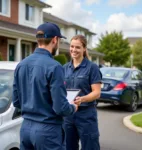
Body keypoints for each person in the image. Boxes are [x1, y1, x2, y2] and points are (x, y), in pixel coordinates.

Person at [12, 22, 78, 150]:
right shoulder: (55, 67)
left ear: (38, 40)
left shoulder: (21, 65)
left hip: (25, 129)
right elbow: (60, 108)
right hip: (48, 131)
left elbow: (16, 101)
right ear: (55, 40)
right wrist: (73, 107)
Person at [63, 35, 102, 150]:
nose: (74, 50)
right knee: (68, 147)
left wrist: (82, 99)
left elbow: (97, 93)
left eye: (77, 47)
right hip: (68, 116)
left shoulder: (92, 68)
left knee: (90, 147)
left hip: (86, 115)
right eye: (72, 46)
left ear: (84, 49)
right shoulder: (64, 68)